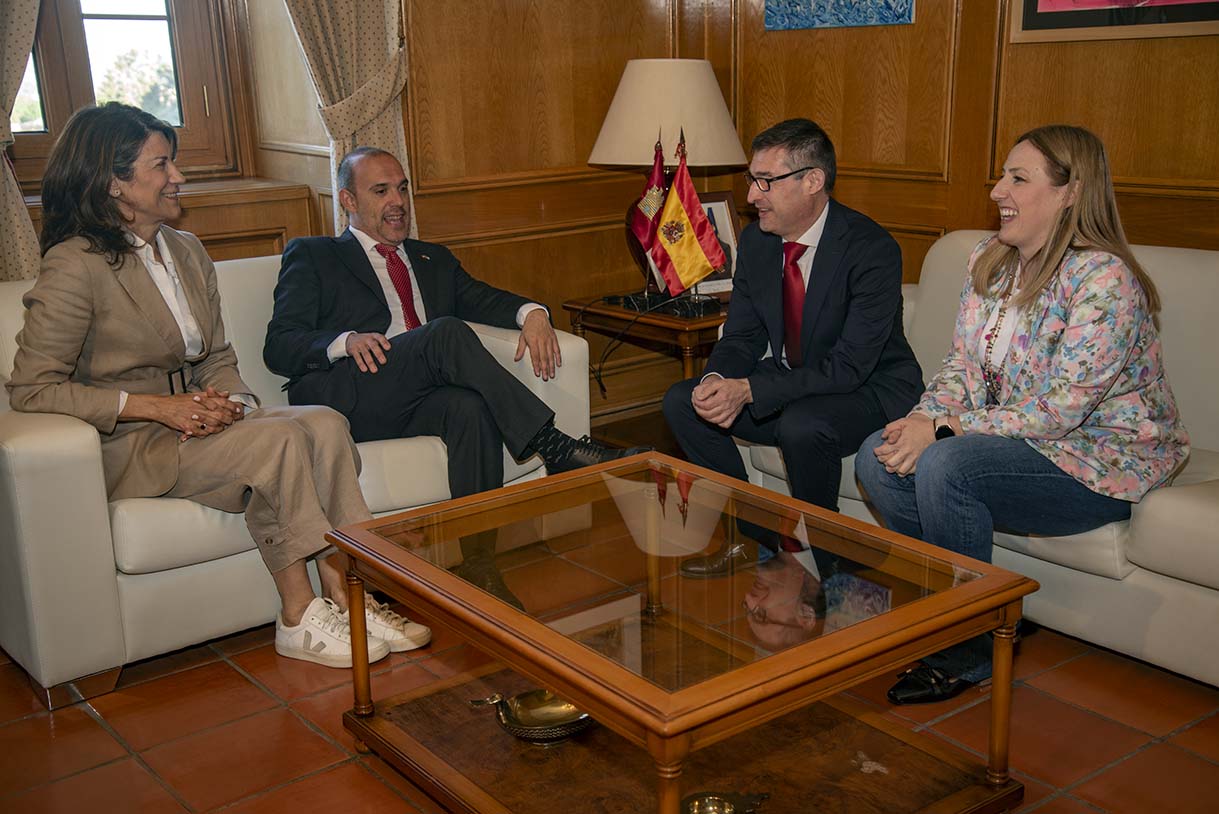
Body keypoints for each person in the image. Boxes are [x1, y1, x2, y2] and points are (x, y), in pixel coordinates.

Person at [7, 102, 429, 670]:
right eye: (161, 165)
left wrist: (236, 405)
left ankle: (348, 593)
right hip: (133, 444)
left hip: (203, 424)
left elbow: (217, 355)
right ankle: (298, 616)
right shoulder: (74, 265)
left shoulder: (185, 250)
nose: (177, 176)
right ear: (115, 184)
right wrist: (157, 408)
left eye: (174, 162)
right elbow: (33, 389)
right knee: (278, 444)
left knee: (324, 423)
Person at [855, 124, 1189, 704]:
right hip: (1019, 441)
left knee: (946, 466)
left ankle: (969, 649)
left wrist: (944, 430)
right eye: (1001, 175)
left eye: (1018, 178)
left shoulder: (1104, 280)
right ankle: (985, 607)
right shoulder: (991, 259)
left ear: (1070, 192)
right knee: (876, 458)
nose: (996, 191)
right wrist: (921, 421)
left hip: (1101, 460)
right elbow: (961, 367)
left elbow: (1062, 410)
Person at [262, 147, 645, 595]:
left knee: (470, 407)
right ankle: (551, 444)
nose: (398, 201)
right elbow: (279, 344)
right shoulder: (314, 256)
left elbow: (485, 299)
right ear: (348, 201)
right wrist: (344, 342)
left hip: (417, 398)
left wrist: (533, 312)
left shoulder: (431, 259)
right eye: (381, 191)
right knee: (444, 332)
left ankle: (480, 565)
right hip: (352, 394)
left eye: (402, 189)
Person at [663, 118, 922, 577]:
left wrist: (752, 391)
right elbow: (742, 335)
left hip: (870, 392)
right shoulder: (759, 244)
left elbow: (847, 368)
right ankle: (754, 535)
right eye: (752, 179)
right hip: (797, 385)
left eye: (766, 181)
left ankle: (818, 563)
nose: (751, 196)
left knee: (803, 425)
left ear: (812, 181)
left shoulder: (870, 248)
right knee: (685, 402)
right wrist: (718, 381)